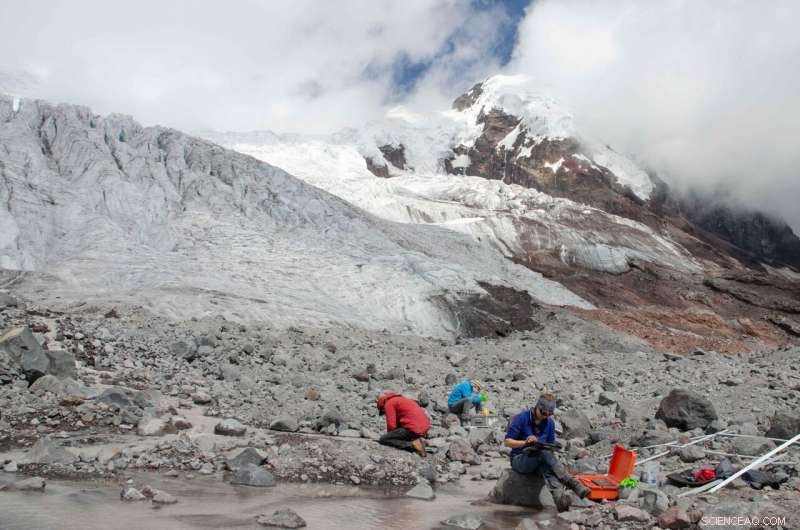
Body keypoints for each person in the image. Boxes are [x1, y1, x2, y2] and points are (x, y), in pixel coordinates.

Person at [504, 393, 590, 499]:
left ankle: (560, 500)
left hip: (540, 460)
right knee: (543, 453)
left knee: (548, 467)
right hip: (520, 459)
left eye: (550, 414)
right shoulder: (522, 418)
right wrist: (525, 443)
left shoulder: (550, 423)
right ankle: (572, 482)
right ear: (537, 407)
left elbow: (550, 447)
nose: (546, 416)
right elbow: (507, 442)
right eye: (544, 413)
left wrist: (554, 447)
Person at [376, 392, 430, 457]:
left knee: (383, 439)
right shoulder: (401, 399)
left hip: (413, 427)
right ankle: (419, 444)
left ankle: (412, 445)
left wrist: (390, 435)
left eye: (383, 411)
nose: (384, 413)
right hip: (423, 426)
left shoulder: (389, 403)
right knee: (402, 434)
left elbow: (391, 426)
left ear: (382, 404)